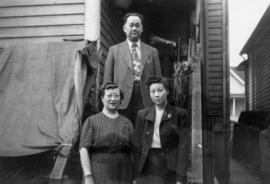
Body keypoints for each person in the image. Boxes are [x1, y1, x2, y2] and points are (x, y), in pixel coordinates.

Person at [103, 12, 162, 124]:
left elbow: (158, 80)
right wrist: (109, 101)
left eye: (137, 25)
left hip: (145, 98)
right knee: (121, 129)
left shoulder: (152, 52)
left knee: (144, 130)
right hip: (121, 97)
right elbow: (107, 81)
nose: (134, 28)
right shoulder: (114, 50)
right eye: (131, 25)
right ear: (124, 28)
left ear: (142, 28)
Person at [133, 76, 189, 184]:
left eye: (160, 90)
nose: (156, 95)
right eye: (152, 91)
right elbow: (137, 146)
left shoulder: (179, 114)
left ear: (167, 91)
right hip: (146, 164)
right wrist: (134, 175)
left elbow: (183, 147)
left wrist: (180, 178)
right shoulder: (142, 114)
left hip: (169, 166)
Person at [79, 82, 134, 184]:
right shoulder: (92, 121)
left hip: (123, 173)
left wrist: (134, 177)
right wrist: (88, 176)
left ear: (120, 99)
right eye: (109, 96)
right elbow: (83, 149)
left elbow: (133, 151)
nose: (113, 99)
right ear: (102, 98)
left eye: (117, 96)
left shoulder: (127, 123)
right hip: (99, 172)